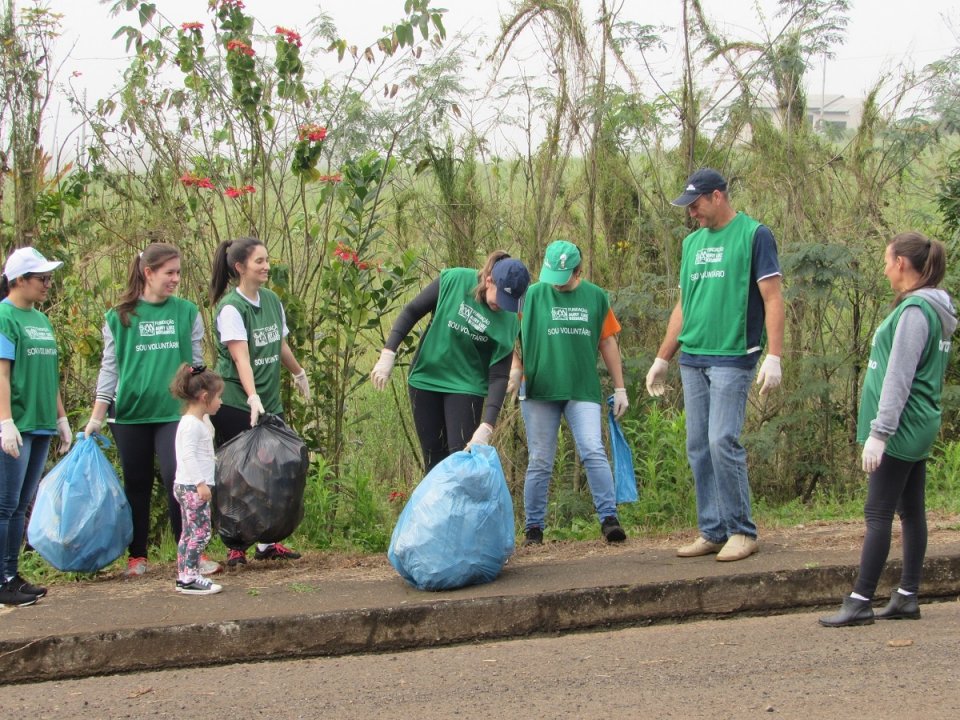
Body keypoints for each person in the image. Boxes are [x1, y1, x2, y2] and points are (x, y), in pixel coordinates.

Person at [646, 168, 784, 562]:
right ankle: (713, 530)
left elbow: (773, 298)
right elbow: (684, 305)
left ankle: (742, 530)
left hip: (733, 355)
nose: (691, 212)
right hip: (693, 357)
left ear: (717, 196)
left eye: (696, 204)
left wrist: (774, 355)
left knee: (722, 440)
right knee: (698, 446)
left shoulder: (754, 235)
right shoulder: (691, 244)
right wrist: (662, 357)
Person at [820, 232, 956, 627]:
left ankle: (860, 600)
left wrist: (880, 433)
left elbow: (899, 375)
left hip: (901, 426)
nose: (884, 269)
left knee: (877, 512)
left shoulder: (915, 311)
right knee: (911, 510)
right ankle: (907, 596)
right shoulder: (934, 307)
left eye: (886, 261)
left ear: (901, 263)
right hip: (919, 421)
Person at [82, 243, 219, 578]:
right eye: (169, 273)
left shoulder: (186, 312)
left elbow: (196, 364)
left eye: (178, 273)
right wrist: (97, 417)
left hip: (175, 413)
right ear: (148, 273)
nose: (176, 279)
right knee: (137, 484)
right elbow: (110, 369)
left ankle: (191, 554)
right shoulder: (118, 317)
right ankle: (137, 556)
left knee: (180, 478)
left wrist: (203, 411)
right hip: (130, 413)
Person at [370, 251, 530, 473]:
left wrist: (487, 425)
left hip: (467, 385)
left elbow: (498, 375)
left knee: (460, 462)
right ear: (489, 280)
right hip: (427, 377)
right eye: (501, 299)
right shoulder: (454, 280)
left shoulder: (509, 319)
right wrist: (388, 353)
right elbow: (412, 311)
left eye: (509, 303)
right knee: (433, 460)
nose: (503, 307)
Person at [517, 240, 629, 546]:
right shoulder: (531, 296)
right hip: (539, 389)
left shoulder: (595, 297)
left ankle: (609, 519)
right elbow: (506, 333)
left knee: (593, 449)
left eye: (562, 277)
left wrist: (620, 388)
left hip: (581, 387)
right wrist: (515, 368)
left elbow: (607, 342)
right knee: (540, 459)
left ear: (578, 272)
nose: (555, 283)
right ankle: (534, 528)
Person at [210, 237, 311, 567]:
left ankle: (267, 543)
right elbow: (241, 358)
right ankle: (235, 545)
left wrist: (298, 373)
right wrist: (252, 396)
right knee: (236, 476)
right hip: (237, 402)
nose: (267, 266)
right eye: (259, 261)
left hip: (269, 402)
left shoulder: (271, 301)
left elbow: (279, 345)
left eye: (267, 260)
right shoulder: (231, 308)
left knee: (271, 474)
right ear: (240, 267)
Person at [0, 248, 72, 607]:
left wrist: (60, 417)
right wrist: (5, 421)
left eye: (49, 278)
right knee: (6, 503)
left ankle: (11, 575)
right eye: (41, 278)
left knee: (22, 504)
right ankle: (1, 578)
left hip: (41, 423)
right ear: (19, 280)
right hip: (17, 424)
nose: (47, 284)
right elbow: (2, 372)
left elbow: (49, 373)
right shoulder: (4, 316)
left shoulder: (41, 320)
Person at [170, 363, 225, 595]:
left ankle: (184, 575)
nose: (220, 402)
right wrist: (200, 484)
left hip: (187, 486)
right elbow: (188, 456)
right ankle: (191, 576)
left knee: (188, 533)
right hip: (193, 488)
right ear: (204, 397)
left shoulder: (196, 421)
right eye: (218, 397)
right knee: (201, 533)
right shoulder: (191, 425)